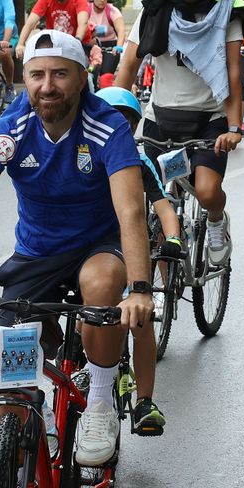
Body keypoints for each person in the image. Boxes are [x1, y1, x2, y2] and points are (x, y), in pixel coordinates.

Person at [0, 30, 155, 476]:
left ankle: (98, 403)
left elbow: (130, 210)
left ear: (81, 78)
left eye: (60, 74)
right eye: (36, 75)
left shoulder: (107, 126)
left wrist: (138, 288)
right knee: (8, 401)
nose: (47, 85)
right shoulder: (12, 128)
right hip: (36, 254)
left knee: (101, 286)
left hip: (99, 246)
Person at [114, 0, 244, 267]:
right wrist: (113, 123)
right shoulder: (155, 10)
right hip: (160, 120)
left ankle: (216, 220)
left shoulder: (224, 14)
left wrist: (234, 127)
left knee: (205, 191)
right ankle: (163, 298)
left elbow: (233, 72)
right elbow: (127, 68)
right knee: (158, 206)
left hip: (209, 121)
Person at [95, 85, 178, 436]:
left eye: (124, 123)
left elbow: (162, 205)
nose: (117, 129)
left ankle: (145, 400)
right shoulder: (83, 153)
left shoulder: (140, 161)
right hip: (92, 250)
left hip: (130, 249)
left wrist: (172, 237)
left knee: (141, 321)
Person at [16, 0, 89, 57]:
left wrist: (77, 41)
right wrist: (21, 44)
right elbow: (30, 23)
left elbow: (83, 22)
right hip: (55, 45)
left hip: (79, 43)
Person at [84, 0, 128, 87]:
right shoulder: (85, 10)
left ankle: (106, 101)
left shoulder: (112, 11)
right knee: (89, 76)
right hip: (91, 47)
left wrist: (119, 46)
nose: (102, 0)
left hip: (110, 48)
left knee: (105, 79)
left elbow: (121, 30)